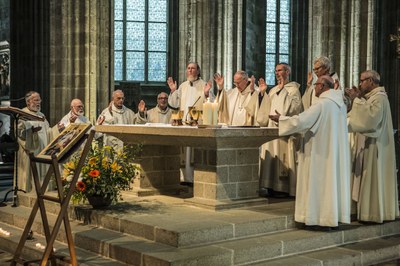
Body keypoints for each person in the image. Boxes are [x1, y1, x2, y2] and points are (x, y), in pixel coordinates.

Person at [270, 75, 351, 228]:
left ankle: (317, 219)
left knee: (318, 184)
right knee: (330, 185)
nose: (314, 87)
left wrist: (281, 119)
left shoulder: (322, 104)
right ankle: (330, 218)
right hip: (332, 153)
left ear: (322, 86)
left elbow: (301, 121)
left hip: (319, 153)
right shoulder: (340, 104)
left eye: (316, 84)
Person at [346, 70, 399, 223]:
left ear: (371, 81)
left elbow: (370, 119)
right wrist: (357, 100)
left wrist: (356, 100)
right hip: (368, 144)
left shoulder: (380, 98)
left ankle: (373, 214)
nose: (360, 83)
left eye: (362, 80)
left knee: (373, 177)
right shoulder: (371, 98)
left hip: (375, 146)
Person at [257, 63, 303, 197]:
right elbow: (265, 109)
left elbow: (296, 109)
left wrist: (281, 117)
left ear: (287, 72)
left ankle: (282, 188)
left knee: (282, 157)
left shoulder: (293, 90)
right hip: (271, 129)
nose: (277, 73)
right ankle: (269, 185)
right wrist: (263, 93)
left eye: (280, 70)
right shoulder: (272, 90)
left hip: (284, 130)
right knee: (271, 155)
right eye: (276, 71)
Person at [167, 62, 213, 183]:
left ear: (198, 71)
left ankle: (194, 179)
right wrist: (173, 91)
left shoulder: (204, 85)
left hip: (197, 125)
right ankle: (184, 178)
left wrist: (207, 93)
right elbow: (174, 104)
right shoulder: (182, 86)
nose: (190, 71)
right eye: (188, 68)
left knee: (194, 153)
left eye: (193, 68)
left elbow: (211, 104)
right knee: (184, 154)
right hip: (183, 123)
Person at [17, 91, 51, 192]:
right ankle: (29, 191)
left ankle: (42, 189)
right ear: (28, 102)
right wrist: (31, 132)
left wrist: (57, 129)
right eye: (36, 100)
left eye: (39, 100)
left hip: (43, 149)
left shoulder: (41, 115)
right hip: (30, 150)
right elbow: (19, 133)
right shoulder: (23, 114)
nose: (39, 102)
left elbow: (48, 131)